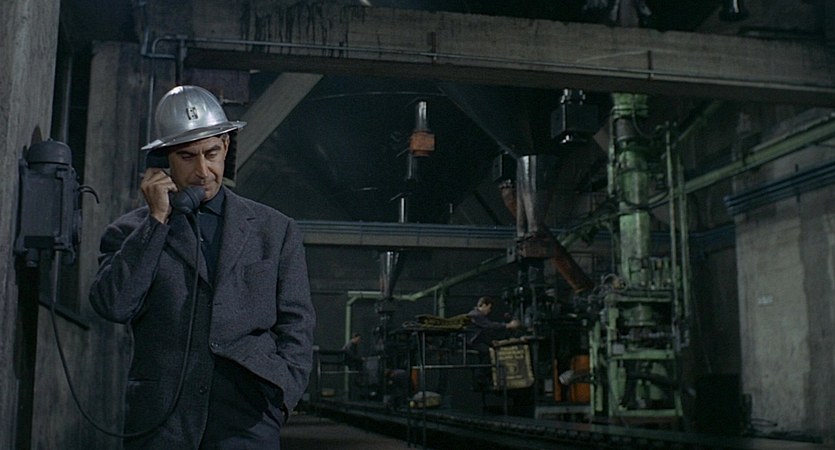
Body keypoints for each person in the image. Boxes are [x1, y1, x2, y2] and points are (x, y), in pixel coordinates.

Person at [89, 85, 315, 449]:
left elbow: (297, 322)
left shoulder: (274, 230)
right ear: (164, 160)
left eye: (211, 153)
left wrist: (283, 394)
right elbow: (113, 305)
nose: (203, 170)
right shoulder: (130, 233)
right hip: (163, 419)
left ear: (225, 145)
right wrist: (156, 221)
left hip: (249, 414)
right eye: (187, 156)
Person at [465, 296, 520, 390]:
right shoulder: (475, 315)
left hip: (476, 341)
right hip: (472, 342)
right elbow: (489, 326)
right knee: (487, 353)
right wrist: (508, 325)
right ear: (484, 305)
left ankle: (484, 378)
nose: (489, 311)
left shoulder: (476, 315)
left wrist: (490, 342)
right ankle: (480, 378)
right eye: (489, 308)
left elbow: (482, 333)